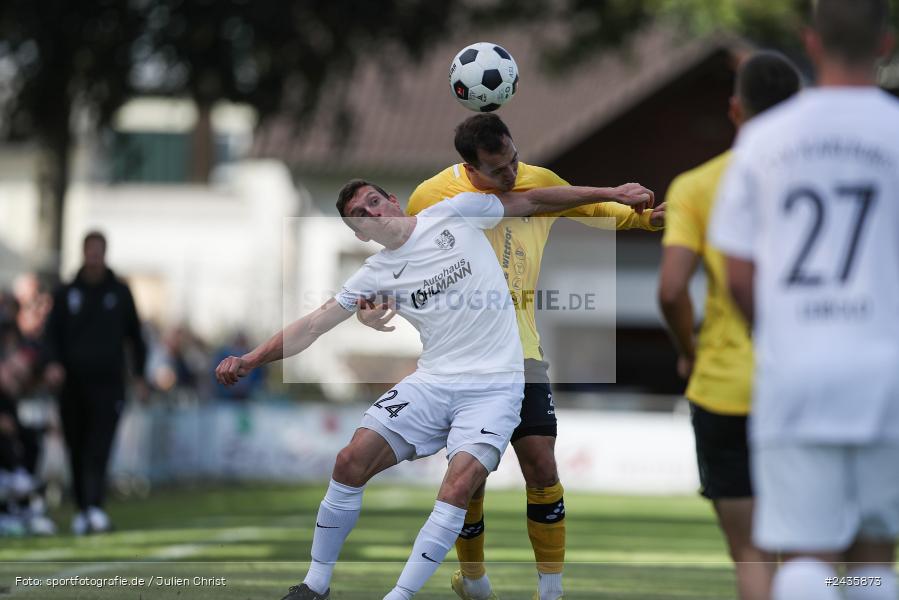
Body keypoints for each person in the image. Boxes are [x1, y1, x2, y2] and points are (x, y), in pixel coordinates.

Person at [215, 178, 654, 600]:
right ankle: (315, 585)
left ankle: (400, 595)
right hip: (433, 382)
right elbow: (312, 326)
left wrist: (612, 193)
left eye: (372, 201)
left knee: (457, 488)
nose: (371, 212)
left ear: (393, 200)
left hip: (495, 387)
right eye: (358, 215)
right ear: (360, 233)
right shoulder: (374, 274)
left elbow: (535, 201)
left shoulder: (453, 213)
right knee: (349, 461)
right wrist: (250, 359)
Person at [357, 113, 665, 600]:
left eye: (514, 160)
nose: (512, 174)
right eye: (499, 169)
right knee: (468, 480)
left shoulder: (537, 181)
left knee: (541, 464)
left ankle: (551, 592)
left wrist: (647, 218)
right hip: (459, 358)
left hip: (521, 350)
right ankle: (475, 582)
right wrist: (374, 307)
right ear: (469, 168)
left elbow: (599, 210)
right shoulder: (430, 196)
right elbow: (404, 266)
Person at [709, 1, 899, 598]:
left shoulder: (764, 138)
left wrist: (781, 334)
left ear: (810, 43)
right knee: (874, 557)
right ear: (886, 43)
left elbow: (737, 274)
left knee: (804, 554)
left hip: (795, 370)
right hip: (884, 368)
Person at [657, 51, 801, 600]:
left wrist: (688, 349)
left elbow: (671, 289)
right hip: (807, 381)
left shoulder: (697, 185)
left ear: (735, 108)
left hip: (724, 387)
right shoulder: (826, 179)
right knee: (821, 552)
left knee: (751, 554)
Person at [43, 231, 148, 535]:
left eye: (98, 252)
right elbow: (51, 337)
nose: (93, 257)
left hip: (109, 384)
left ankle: (95, 506)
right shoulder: (65, 293)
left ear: (104, 254)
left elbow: (136, 338)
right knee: (76, 445)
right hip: (72, 386)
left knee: (99, 446)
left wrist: (139, 376)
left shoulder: (120, 292)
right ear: (83, 253)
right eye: (89, 251)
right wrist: (52, 365)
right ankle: (82, 508)